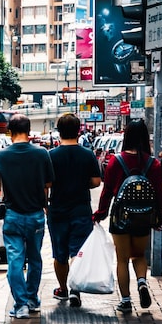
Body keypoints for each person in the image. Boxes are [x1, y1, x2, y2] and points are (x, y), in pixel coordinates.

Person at [93, 118, 162, 314]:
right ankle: (142, 282)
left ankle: (125, 300)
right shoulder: (154, 164)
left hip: (121, 218)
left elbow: (107, 191)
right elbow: (159, 194)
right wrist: (159, 217)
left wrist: (100, 213)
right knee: (139, 255)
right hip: (144, 218)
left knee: (122, 259)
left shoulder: (116, 161)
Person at [0, 114, 55, 319]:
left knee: (15, 261)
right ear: (29, 131)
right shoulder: (42, 154)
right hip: (36, 214)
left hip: (12, 215)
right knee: (35, 259)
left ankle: (20, 305)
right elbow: (48, 184)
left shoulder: (1, 156)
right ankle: (32, 299)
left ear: (10, 131)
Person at [48, 113, 102, 307]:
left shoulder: (51, 155)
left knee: (59, 253)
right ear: (79, 131)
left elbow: (47, 183)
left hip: (58, 210)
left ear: (59, 132)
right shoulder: (87, 154)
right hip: (81, 209)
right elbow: (96, 181)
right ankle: (75, 290)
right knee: (77, 252)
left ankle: (62, 288)